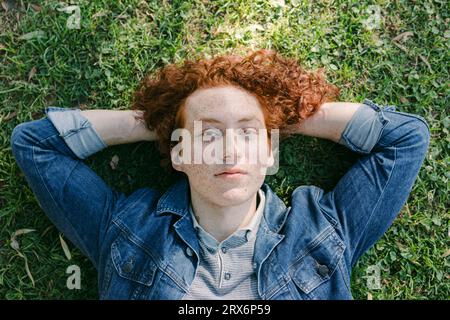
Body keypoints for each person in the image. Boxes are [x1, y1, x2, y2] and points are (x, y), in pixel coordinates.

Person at [10, 49, 430, 299]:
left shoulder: (324, 229)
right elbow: (35, 145)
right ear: (179, 154)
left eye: (247, 134)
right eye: (209, 135)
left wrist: (284, 118)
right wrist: (156, 123)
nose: (230, 149)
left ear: (270, 152)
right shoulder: (126, 230)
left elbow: (407, 138)